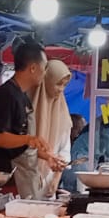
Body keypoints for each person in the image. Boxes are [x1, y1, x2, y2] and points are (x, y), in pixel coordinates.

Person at [0, 35, 64, 196]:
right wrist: (29, 139)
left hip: (26, 176)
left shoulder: (21, 95)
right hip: (11, 180)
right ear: (33, 68)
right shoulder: (5, 95)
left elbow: (20, 145)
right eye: (44, 67)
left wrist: (47, 156)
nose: (45, 72)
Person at [31, 59, 75, 197]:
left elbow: (64, 150)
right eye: (58, 84)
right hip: (25, 179)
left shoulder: (63, 114)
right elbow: (22, 148)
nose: (61, 89)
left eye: (65, 85)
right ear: (46, 80)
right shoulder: (29, 107)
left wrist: (56, 180)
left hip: (49, 183)